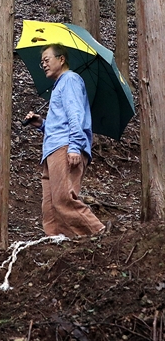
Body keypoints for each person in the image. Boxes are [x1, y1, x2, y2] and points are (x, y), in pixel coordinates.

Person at [25, 43, 106, 237]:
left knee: (63, 199)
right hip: (52, 149)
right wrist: (41, 124)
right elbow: (61, 121)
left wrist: (75, 146)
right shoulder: (59, 84)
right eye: (41, 62)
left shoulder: (70, 79)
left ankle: (100, 233)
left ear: (61, 59)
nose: (43, 64)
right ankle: (56, 243)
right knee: (50, 206)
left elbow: (75, 115)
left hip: (66, 146)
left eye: (47, 60)